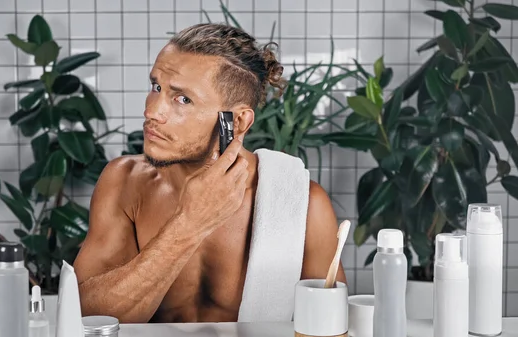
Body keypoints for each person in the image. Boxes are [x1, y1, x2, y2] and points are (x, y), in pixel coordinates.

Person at [73, 22, 347, 324]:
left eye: (182, 99)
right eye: (156, 87)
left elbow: (329, 324)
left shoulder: (303, 204)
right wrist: (190, 223)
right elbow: (85, 317)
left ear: (239, 122)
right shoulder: (125, 183)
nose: (151, 111)